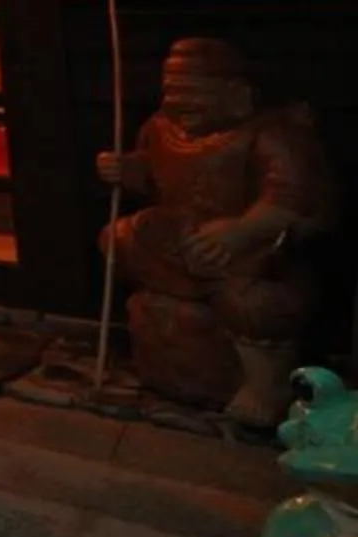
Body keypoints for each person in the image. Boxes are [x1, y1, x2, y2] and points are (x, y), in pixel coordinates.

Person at [98, 37, 332, 427]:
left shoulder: (272, 134)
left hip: (247, 252)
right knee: (118, 238)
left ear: (237, 94)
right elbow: (151, 173)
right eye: (173, 93)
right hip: (184, 243)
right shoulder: (160, 129)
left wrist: (240, 231)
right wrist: (125, 169)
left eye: (195, 95)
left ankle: (263, 384)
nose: (180, 106)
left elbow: (294, 201)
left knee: (257, 301)